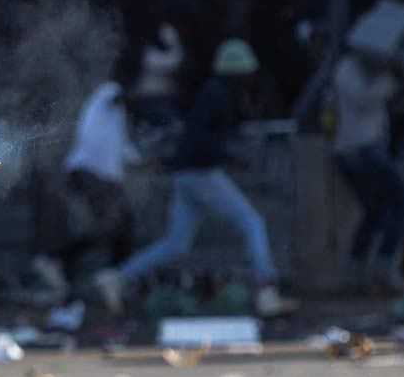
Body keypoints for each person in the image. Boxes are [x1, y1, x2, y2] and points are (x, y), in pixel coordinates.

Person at [96, 39, 290, 317]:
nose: (250, 75)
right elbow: (201, 139)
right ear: (235, 71)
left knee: (176, 243)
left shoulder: (217, 92)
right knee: (252, 222)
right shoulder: (218, 94)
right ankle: (266, 290)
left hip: (188, 173)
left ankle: (117, 277)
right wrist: (230, 156)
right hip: (200, 172)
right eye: (246, 70)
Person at [46, 44, 143, 287]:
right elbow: (118, 97)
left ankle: (110, 275)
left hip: (102, 176)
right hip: (89, 172)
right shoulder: (108, 93)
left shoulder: (117, 114)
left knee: (122, 225)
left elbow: (122, 147)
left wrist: (144, 161)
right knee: (112, 223)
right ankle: (57, 260)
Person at [331, 47, 404, 290]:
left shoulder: (376, 70)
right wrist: (390, 79)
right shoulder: (348, 68)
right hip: (358, 150)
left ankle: (358, 271)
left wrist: (401, 79)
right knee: (401, 198)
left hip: (370, 148)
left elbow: (394, 106)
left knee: (375, 210)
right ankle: (382, 266)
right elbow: (364, 99)